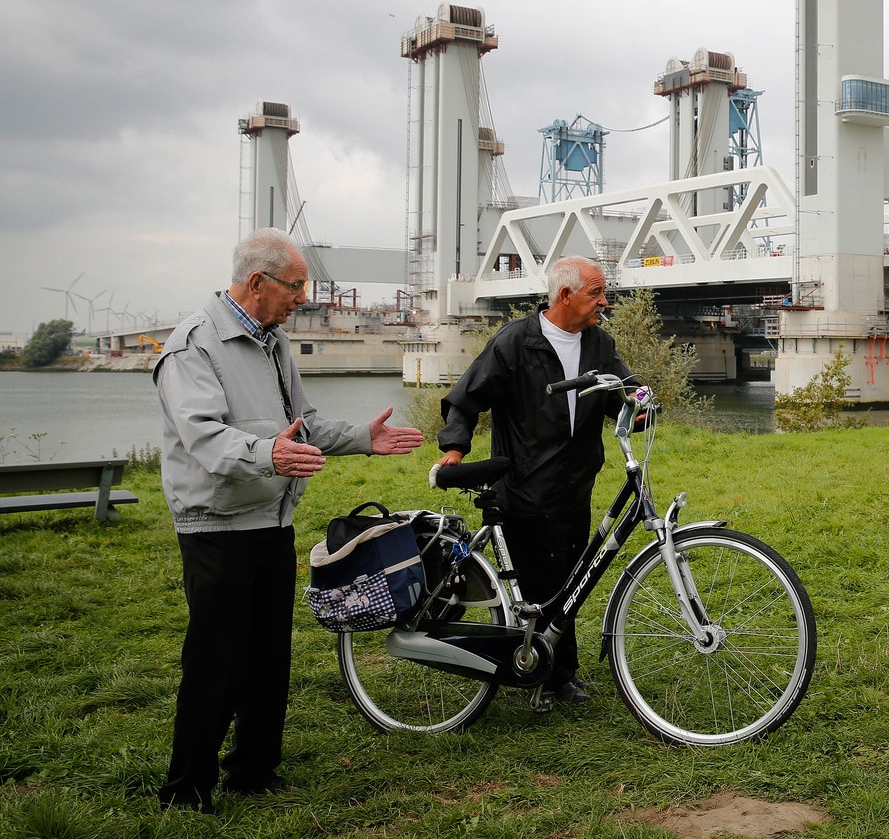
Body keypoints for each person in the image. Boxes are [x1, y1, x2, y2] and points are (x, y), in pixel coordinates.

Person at [154, 228, 424, 813]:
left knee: (268, 656)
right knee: (215, 661)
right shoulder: (192, 348)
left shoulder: (273, 343)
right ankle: (186, 789)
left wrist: (360, 438)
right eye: (296, 286)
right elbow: (202, 435)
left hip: (271, 521)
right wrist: (267, 455)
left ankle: (253, 770)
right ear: (258, 282)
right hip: (216, 527)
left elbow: (299, 423)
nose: (303, 297)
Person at [435, 255, 631, 709]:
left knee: (571, 580)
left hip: (575, 486)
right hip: (524, 487)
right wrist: (454, 448)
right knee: (541, 586)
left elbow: (623, 391)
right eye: (596, 293)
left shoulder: (598, 343)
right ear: (565, 295)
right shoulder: (515, 343)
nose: (605, 302)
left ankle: (557, 673)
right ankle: (547, 677)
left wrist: (639, 403)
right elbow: (466, 398)